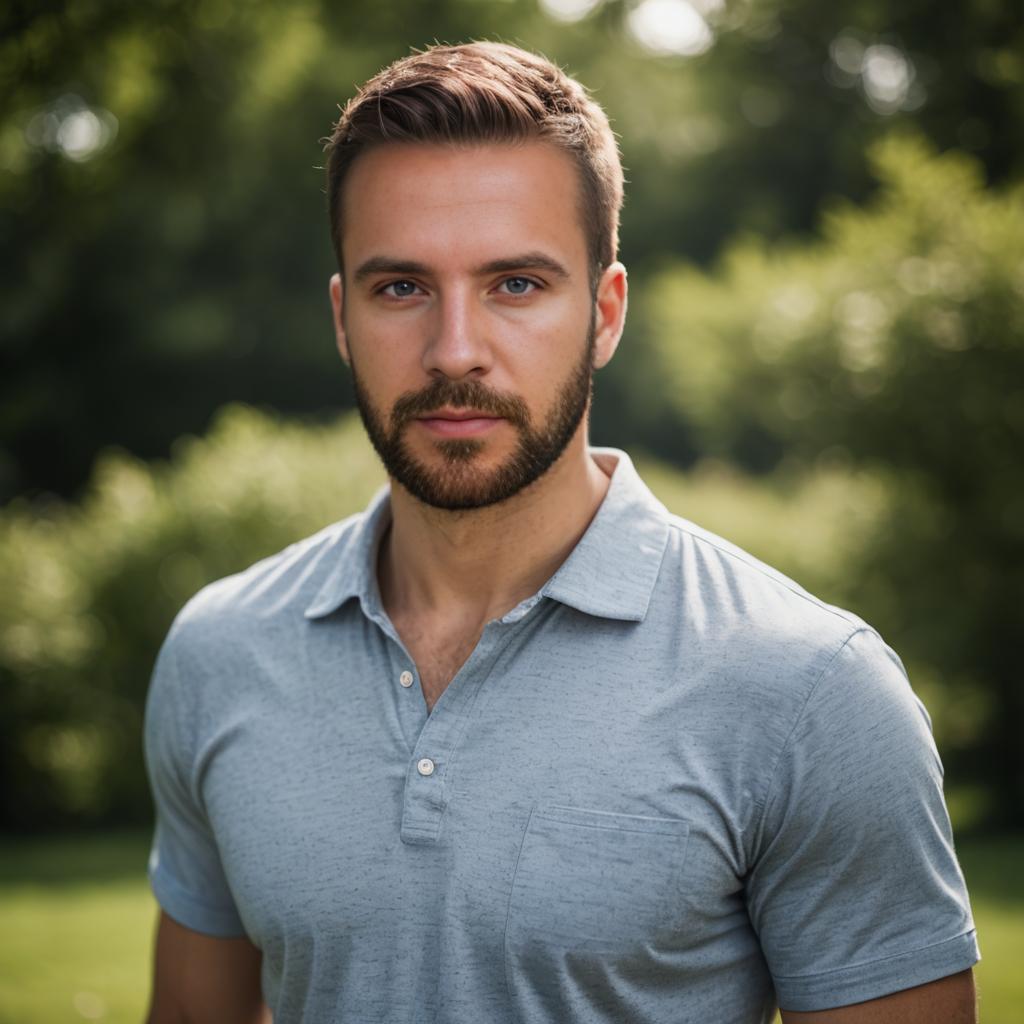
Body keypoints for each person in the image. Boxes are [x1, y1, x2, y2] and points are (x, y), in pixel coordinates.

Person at [143, 41, 979, 1024]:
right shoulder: (221, 650)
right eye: (400, 287)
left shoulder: (809, 690)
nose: (454, 349)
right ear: (342, 318)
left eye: (517, 285)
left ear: (606, 312)